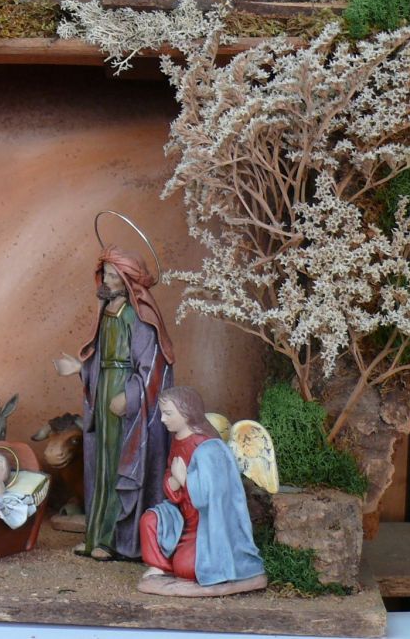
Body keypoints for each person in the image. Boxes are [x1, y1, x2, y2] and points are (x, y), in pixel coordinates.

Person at [59, 246, 174, 560]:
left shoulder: (138, 317)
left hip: (125, 398)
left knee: (120, 465)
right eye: (105, 275)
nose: (106, 281)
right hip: (104, 393)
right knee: (102, 466)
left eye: (112, 276)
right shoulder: (106, 314)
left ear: (127, 280)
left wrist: (130, 396)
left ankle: (114, 540)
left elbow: (153, 366)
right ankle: (96, 534)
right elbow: (100, 359)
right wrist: (80, 368)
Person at [138, 387, 266, 596]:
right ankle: (162, 566)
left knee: (187, 567)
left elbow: (211, 493)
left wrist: (184, 478)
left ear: (186, 412)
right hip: (183, 514)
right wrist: (174, 482)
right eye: (162, 413)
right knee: (149, 520)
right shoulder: (177, 440)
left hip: (207, 522)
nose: (162, 419)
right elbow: (171, 474)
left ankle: (186, 565)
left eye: (168, 413)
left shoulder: (209, 447)